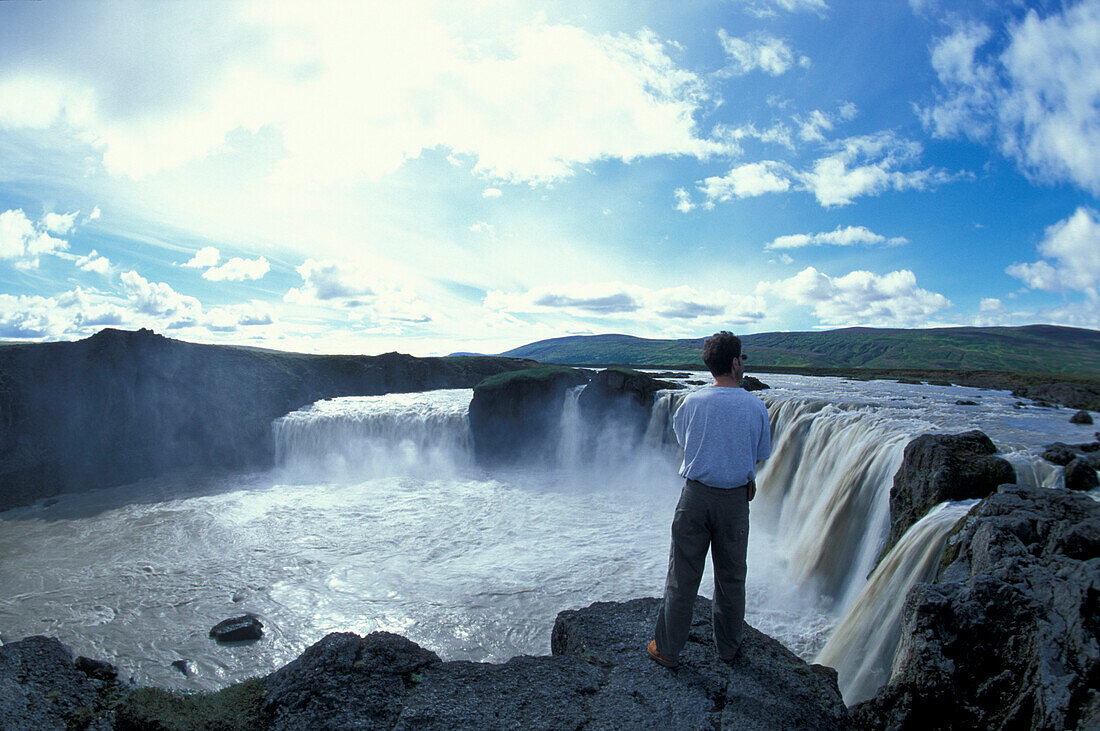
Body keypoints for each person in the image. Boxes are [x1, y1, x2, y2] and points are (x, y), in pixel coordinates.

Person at [648, 331, 771, 668]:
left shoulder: (692, 402)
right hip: (734, 502)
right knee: (731, 579)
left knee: (682, 575)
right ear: (734, 363)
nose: (744, 364)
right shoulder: (755, 406)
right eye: (742, 359)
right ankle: (728, 649)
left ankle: (668, 650)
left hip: (694, 497)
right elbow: (760, 455)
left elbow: (683, 441)